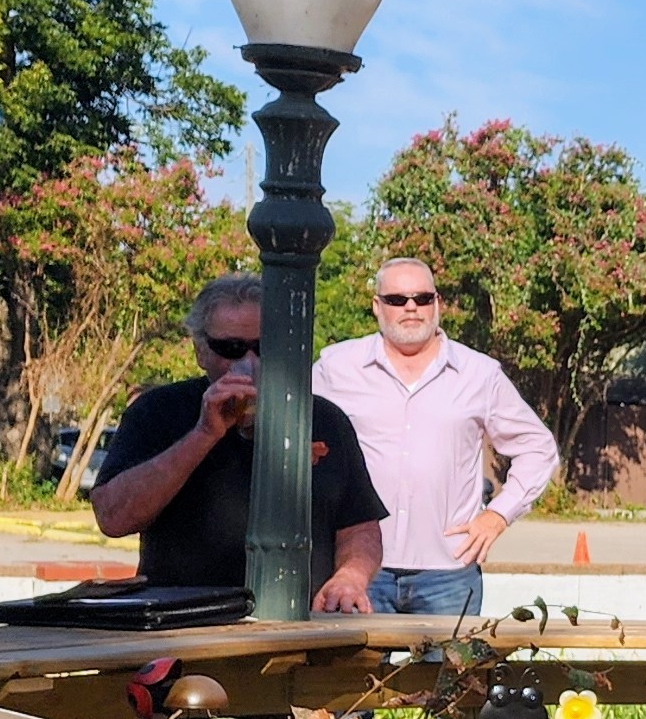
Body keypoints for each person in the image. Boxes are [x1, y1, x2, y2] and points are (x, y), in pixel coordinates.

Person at [87, 275, 388, 608]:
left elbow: (361, 529)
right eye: (230, 348)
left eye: (264, 346)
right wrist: (203, 434)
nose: (250, 362)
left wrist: (349, 578)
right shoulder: (158, 411)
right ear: (200, 350)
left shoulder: (323, 419)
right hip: (185, 625)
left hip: (301, 624)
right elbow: (113, 518)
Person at [310, 256, 559, 617]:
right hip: (357, 574)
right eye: (397, 299)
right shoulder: (336, 368)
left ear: (437, 304)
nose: (411, 307)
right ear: (377, 306)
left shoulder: (479, 374)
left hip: (449, 576)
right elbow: (291, 435)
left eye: (422, 298)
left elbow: (537, 448)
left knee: (450, 676)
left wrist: (499, 515)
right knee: (353, 676)